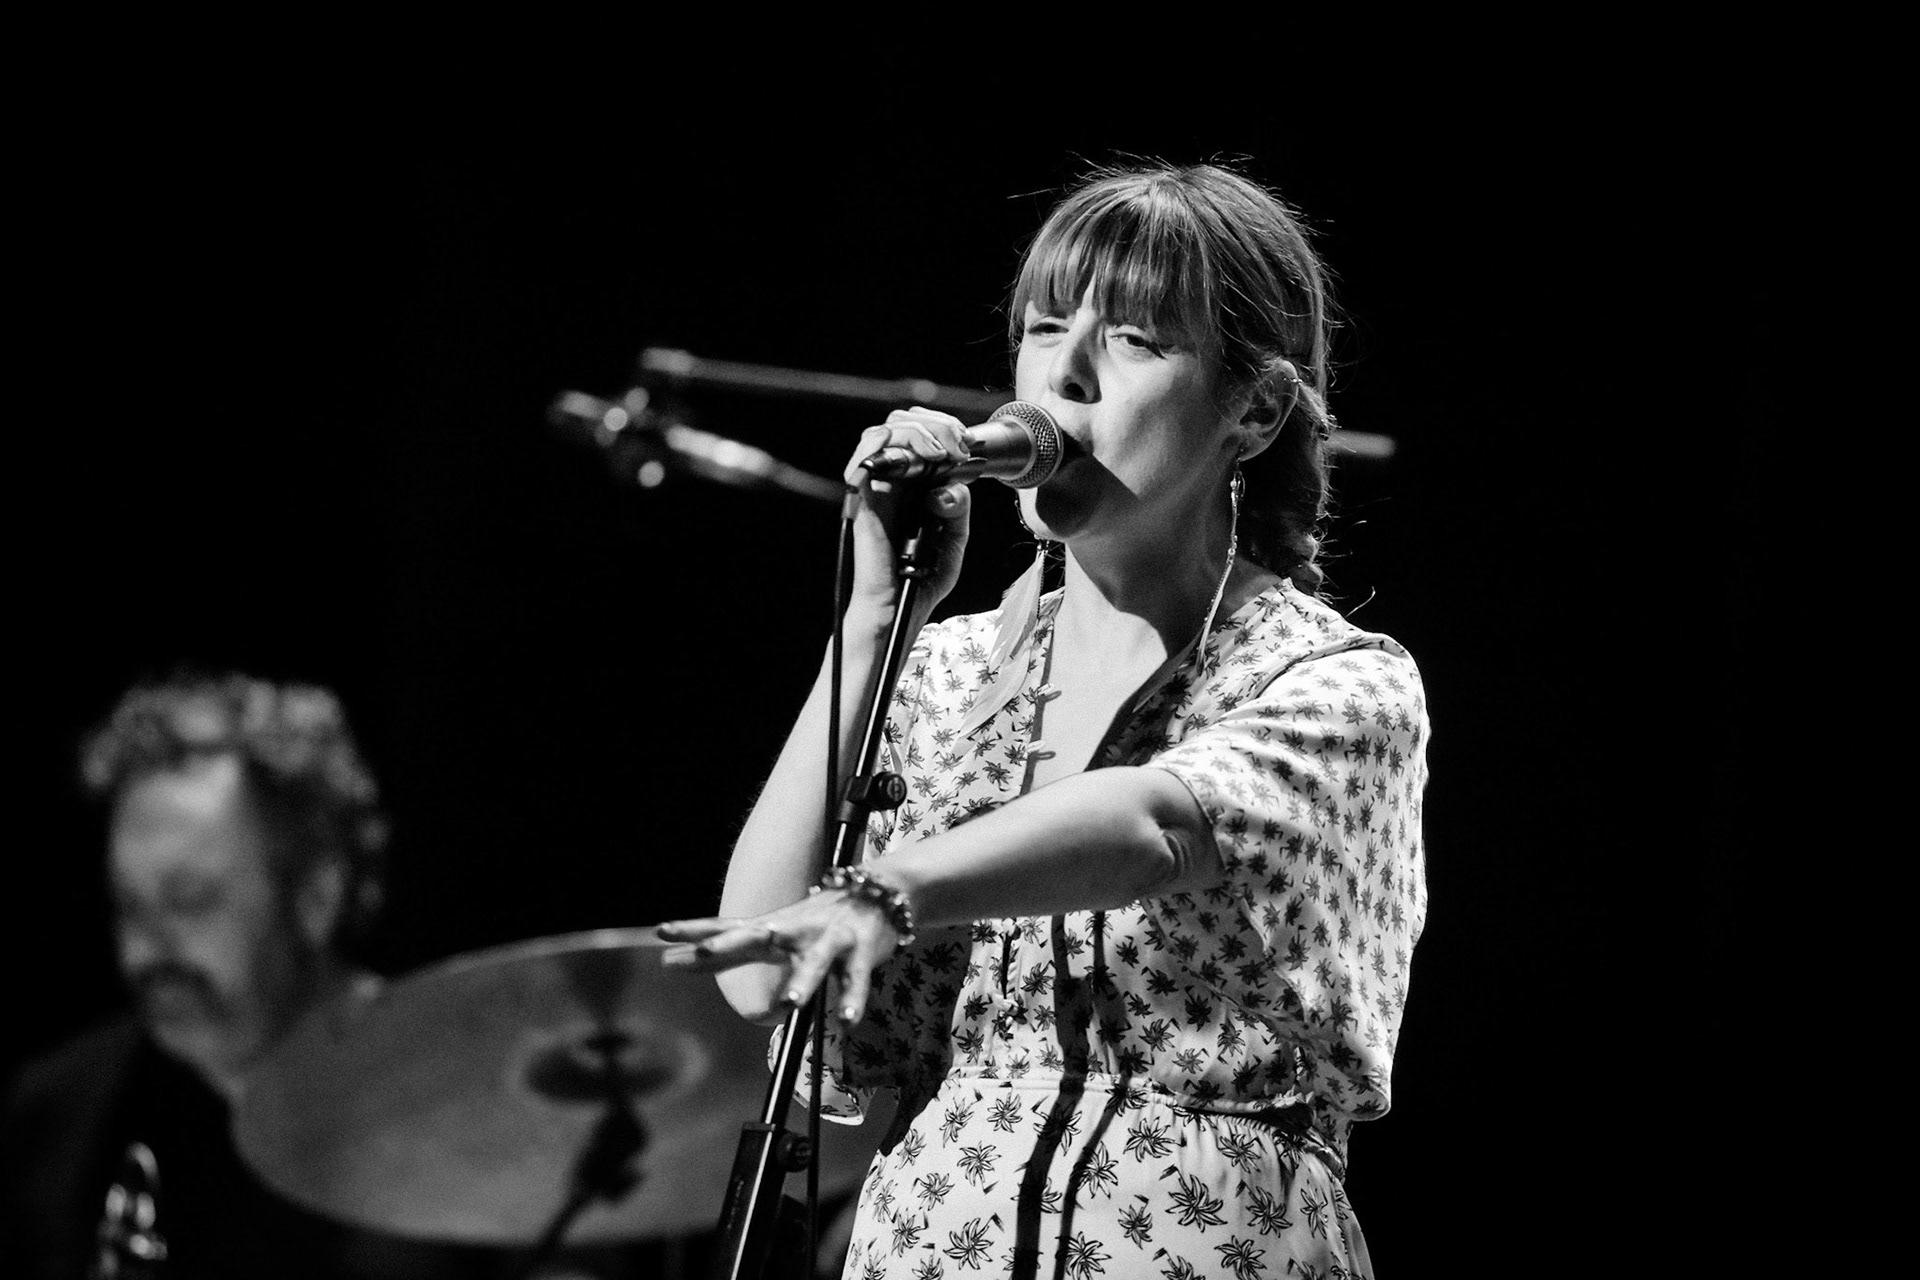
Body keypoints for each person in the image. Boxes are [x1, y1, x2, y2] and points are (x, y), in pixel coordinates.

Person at [660, 161, 1430, 1280]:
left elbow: (1155, 824)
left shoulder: (1332, 681)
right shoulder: (951, 667)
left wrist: (891, 891)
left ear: (1255, 408)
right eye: (1043, 329)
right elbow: (767, 974)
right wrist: (876, 620)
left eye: (1130, 341)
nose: (1060, 378)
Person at [0, 672, 497, 1279]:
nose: (145, 949)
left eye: (191, 899)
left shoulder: (473, 1101)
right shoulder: (64, 1117)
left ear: (316, 894)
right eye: (129, 904)